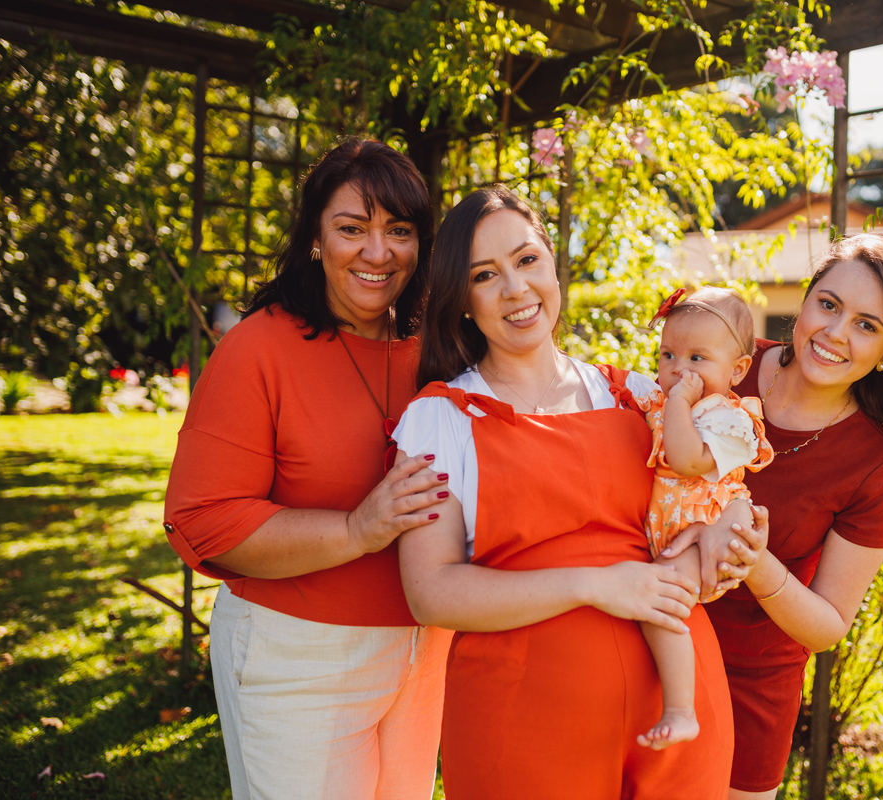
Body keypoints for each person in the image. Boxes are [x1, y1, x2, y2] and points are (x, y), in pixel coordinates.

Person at [392, 186, 767, 799]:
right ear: (463, 300)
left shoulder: (636, 395)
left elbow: (722, 479)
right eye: (486, 275)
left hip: (676, 709)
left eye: (527, 260)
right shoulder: (442, 419)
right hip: (525, 727)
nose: (516, 288)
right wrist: (596, 585)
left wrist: (732, 537)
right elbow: (431, 593)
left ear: (551, 261)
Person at [162, 139, 452, 800]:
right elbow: (202, 523)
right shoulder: (257, 349)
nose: (378, 253)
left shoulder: (434, 345)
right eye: (352, 229)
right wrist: (358, 528)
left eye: (399, 232)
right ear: (316, 238)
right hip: (300, 656)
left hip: (424, 651)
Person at [664, 234, 883, 799]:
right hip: (644, 629)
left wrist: (753, 561)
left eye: (867, 325)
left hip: (751, 680)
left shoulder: (875, 460)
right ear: (807, 299)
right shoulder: (724, 361)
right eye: (829, 305)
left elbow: (827, 625)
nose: (836, 333)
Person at [633, 286, 773, 750]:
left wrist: (677, 403)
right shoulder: (661, 399)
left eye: (697, 359)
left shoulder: (729, 418)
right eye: (668, 354)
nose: (679, 369)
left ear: (737, 370)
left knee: (661, 603)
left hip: (708, 534)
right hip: (669, 530)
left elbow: (688, 460)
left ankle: (680, 710)